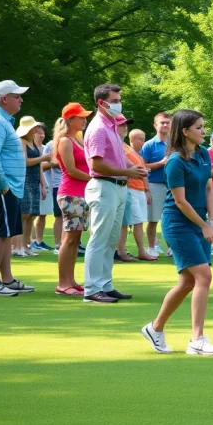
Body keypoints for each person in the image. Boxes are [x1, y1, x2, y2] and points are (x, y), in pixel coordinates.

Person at [141, 109, 213, 356]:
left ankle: (155, 328)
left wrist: (212, 220)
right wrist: (204, 226)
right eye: (199, 127)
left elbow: (209, 187)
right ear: (185, 131)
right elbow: (180, 202)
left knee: (188, 281)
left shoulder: (203, 153)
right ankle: (196, 340)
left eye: (203, 126)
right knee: (204, 276)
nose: (203, 131)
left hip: (199, 221)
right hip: (178, 224)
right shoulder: (175, 161)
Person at [83, 83, 146, 303]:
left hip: (117, 187)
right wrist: (128, 171)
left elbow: (120, 155)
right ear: (102, 103)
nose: (119, 104)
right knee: (99, 239)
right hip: (103, 186)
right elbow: (97, 165)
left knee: (111, 240)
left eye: (119, 100)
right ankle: (91, 289)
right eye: (115, 101)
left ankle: (105, 285)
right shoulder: (98, 128)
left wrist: (134, 168)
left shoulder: (110, 126)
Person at [0, 80, 34, 296]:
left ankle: (7, 279)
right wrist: (4, 186)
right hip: (2, 186)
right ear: (4, 99)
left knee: (7, 234)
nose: (21, 99)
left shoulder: (3, 121)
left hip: (8, 187)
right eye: (17, 96)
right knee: (1, 233)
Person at [55, 103, 93, 296]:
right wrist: (96, 179)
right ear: (69, 120)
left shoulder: (77, 139)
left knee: (75, 239)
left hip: (80, 194)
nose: (84, 120)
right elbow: (71, 170)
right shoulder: (65, 141)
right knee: (69, 239)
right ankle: (63, 283)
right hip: (71, 193)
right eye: (80, 117)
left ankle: (71, 281)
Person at [116, 119, 156, 262]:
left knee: (134, 221)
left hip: (138, 189)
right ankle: (137, 251)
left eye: (125, 126)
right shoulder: (119, 146)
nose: (124, 128)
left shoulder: (129, 149)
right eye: (121, 126)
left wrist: (146, 189)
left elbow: (142, 170)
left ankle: (125, 250)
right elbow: (135, 168)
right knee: (131, 222)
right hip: (130, 188)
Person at [12, 116, 49, 257]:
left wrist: (43, 184)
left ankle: (26, 245)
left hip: (34, 181)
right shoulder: (21, 141)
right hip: (24, 180)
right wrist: (44, 158)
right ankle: (17, 246)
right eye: (34, 127)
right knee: (24, 214)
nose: (37, 129)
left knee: (32, 215)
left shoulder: (32, 141)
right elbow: (25, 162)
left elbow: (38, 165)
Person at [140, 112, 172, 257]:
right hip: (155, 184)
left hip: (173, 186)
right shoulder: (149, 145)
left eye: (167, 122)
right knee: (153, 219)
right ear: (155, 125)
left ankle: (172, 247)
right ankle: (152, 247)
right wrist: (160, 164)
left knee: (172, 218)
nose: (165, 125)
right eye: (162, 122)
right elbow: (141, 166)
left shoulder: (175, 143)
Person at [35, 119, 64, 253]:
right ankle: (55, 244)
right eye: (38, 133)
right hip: (53, 184)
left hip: (66, 184)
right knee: (54, 215)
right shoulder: (52, 145)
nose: (41, 135)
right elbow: (43, 165)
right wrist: (55, 163)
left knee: (67, 216)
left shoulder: (73, 142)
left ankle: (67, 243)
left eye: (42, 133)